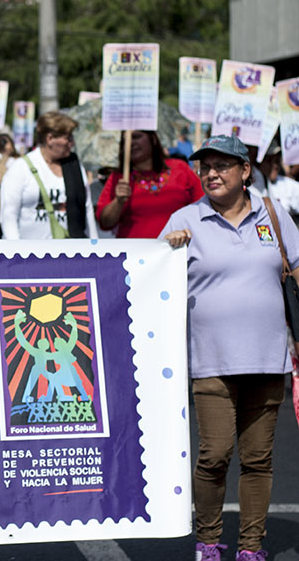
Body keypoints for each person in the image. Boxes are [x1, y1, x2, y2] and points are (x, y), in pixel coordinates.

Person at [161, 135, 299, 561]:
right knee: (215, 454)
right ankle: (208, 540)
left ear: (245, 172)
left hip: (268, 357)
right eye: (205, 167)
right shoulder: (184, 220)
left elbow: (295, 269)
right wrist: (167, 251)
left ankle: (251, 547)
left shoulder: (274, 215)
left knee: (258, 460)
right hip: (211, 361)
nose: (211, 174)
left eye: (222, 165)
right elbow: (152, 281)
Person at [0, 111, 98, 239]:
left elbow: (87, 208)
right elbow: (8, 216)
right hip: (31, 253)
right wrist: (17, 253)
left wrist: (94, 246)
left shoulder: (74, 165)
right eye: (68, 138)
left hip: (71, 252)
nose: (72, 143)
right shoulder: (21, 167)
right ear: (50, 139)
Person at [96, 130, 203, 237]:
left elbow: (203, 206)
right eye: (125, 140)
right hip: (134, 252)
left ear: (153, 139)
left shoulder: (180, 168)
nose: (130, 143)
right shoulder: (119, 178)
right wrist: (118, 202)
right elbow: (105, 223)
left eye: (136, 137)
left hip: (176, 251)